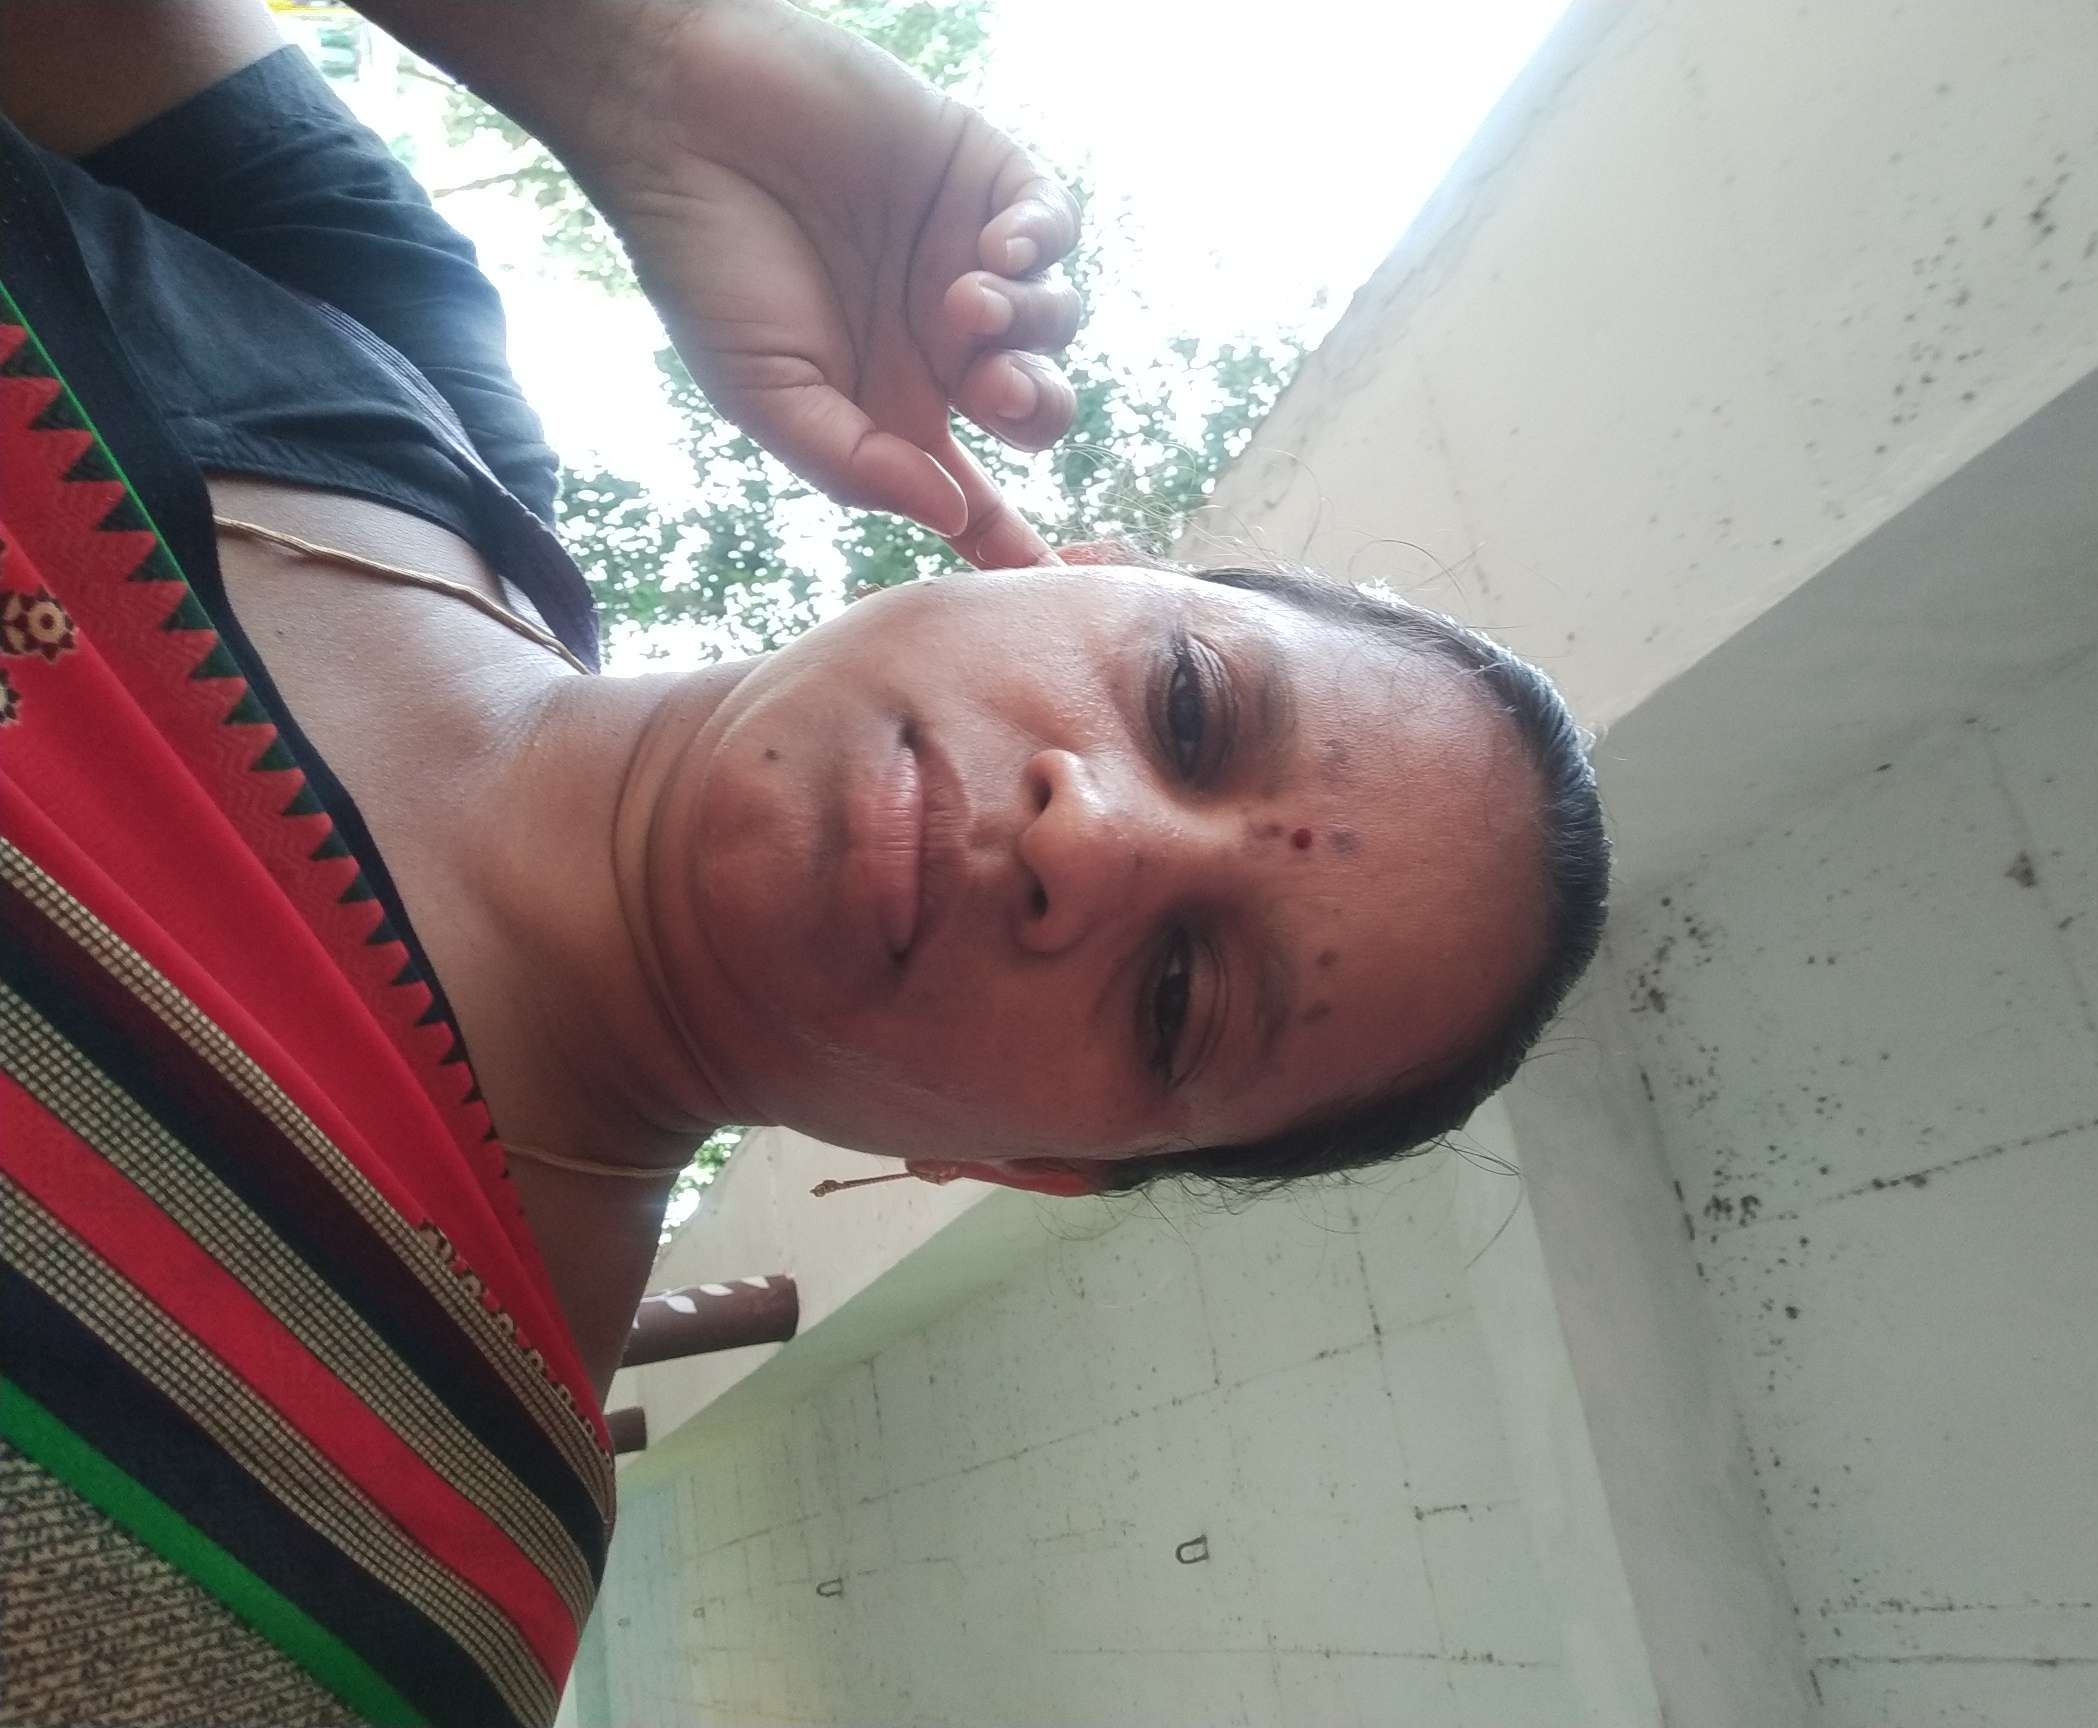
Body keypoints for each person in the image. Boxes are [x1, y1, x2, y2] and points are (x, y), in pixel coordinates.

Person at [0, 2, 1607, 1722]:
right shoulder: (393, 366)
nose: (1089, 838)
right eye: (1191, 708)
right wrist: (641, 72)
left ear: (1031, 1165)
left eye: (1178, 997)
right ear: (1068, 569)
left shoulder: (382, 1581)